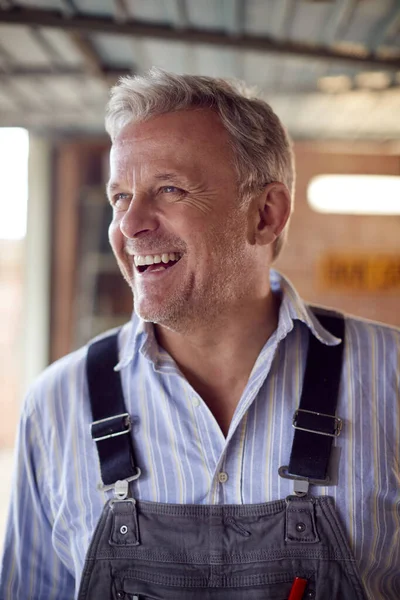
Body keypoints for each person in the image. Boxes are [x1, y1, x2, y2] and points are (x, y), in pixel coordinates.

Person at [0, 68, 399, 600]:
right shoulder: (56, 403)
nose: (130, 225)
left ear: (265, 213)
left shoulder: (391, 377)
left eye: (169, 188)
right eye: (121, 196)